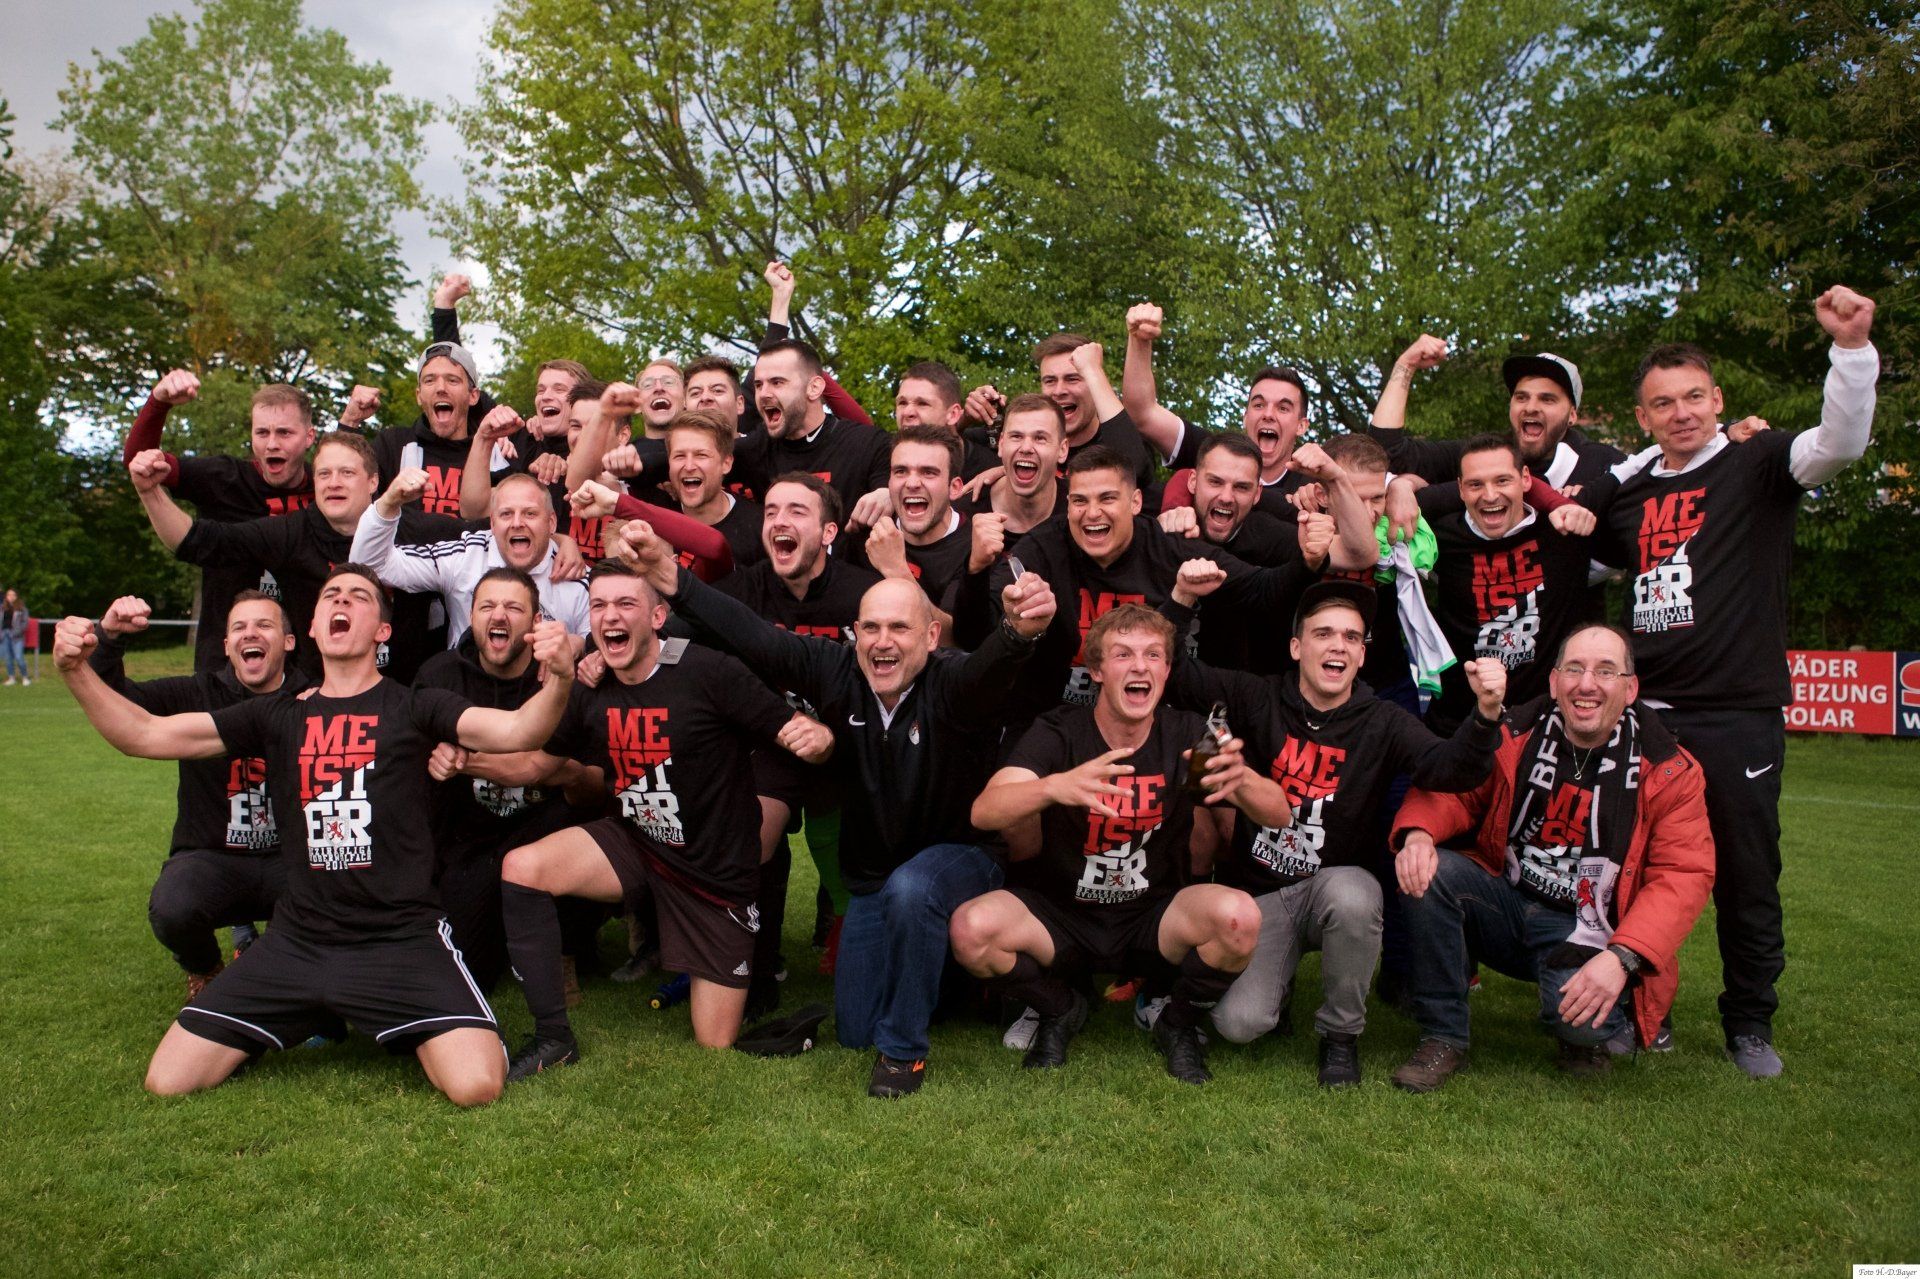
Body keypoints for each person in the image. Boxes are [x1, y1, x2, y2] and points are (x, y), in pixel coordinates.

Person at [52, 563, 578, 1106]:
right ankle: (306, 1010)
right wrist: (74, 671)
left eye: (358, 596)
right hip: (298, 941)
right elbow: (144, 734)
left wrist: (561, 676)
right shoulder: (277, 715)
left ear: (382, 630)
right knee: (169, 1079)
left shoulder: (415, 705)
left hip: (399, 939)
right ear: (312, 626)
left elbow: (520, 729)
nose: (341, 601)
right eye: (331, 595)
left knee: (476, 1086)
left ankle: (369, 1013)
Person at [619, 517, 1057, 1097]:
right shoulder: (836, 669)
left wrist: (1018, 633)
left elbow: (989, 668)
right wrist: (671, 577)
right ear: (854, 634)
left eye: (899, 628)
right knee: (853, 1030)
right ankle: (947, 989)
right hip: (876, 876)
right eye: (870, 627)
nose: (882, 642)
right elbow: (754, 635)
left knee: (914, 890)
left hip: (963, 857)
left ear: (931, 637)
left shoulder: (953, 684)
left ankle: (904, 1055)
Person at [1579, 286, 1879, 1077]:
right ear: (1642, 417)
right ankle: (1643, 1011)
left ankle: (1749, 1021)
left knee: (1747, 873)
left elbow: (1840, 444)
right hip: (1647, 717)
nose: (1680, 413)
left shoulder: (1757, 462)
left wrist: (1851, 352)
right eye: (1662, 403)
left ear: (1718, 400)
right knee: (1633, 871)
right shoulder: (1632, 492)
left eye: (1693, 397)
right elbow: (1576, 562)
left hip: (1737, 714)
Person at [1158, 572, 1506, 1084]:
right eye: (1323, 633)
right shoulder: (1258, 695)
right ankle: (1276, 990)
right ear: (1297, 647)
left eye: (1351, 637)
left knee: (1356, 895)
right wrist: (1182, 598)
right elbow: (1177, 674)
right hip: (1263, 894)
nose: (1337, 645)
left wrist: (1485, 715)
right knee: (1240, 1024)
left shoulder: (1384, 720)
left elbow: (1448, 769)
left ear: (1362, 655)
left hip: (1335, 888)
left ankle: (1340, 1038)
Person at [495, 558, 833, 1076]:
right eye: (599, 605)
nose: (610, 615)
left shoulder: (710, 672)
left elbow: (791, 730)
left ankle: (748, 971)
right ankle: (552, 1037)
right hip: (637, 844)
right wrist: (463, 757)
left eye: (625, 603)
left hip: (713, 875)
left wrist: (819, 738)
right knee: (522, 867)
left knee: (714, 1042)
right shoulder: (591, 685)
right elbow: (540, 761)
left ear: (657, 617)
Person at [954, 604, 1288, 1085]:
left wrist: (1243, 780)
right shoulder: (1060, 731)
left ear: (1167, 671)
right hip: (1063, 915)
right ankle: (1059, 1007)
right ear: (1096, 670)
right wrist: (1055, 786)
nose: (1140, 666)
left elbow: (1277, 815)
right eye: (1123, 654)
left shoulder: (1188, 733)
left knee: (1240, 918)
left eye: (1153, 655)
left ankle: (1176, 1024)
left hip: (1154, 916)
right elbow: (984, 811)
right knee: (971, 930)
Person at [1388, 623, 1716, 1090]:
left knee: (1581, 1024)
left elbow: (1682, 876)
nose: (1587, 684)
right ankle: (1442, 1035)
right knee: (1428, 870)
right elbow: (1455, 788)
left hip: (1589, 925)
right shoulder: (1516, 732)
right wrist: (1420, 833)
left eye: (1606, 671)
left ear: (1630, 689)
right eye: (1575, 669)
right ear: (1554, 681)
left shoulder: (1669, 768)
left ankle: (1583, 1033)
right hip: (1506, 899)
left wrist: (1622, 958)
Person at [85, 591, 308, 997]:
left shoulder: (315, 697)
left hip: (290, 857)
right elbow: (118, 700)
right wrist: (109, 637)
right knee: (173, 908)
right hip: (212, 857)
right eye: (238, 627)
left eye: (263, 625)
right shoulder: (198, 693)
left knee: (334, 896)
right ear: (226, 645)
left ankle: (280, 963)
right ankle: (204, 967)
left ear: (288, 641)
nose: (249, 634)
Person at [136, 431, 470, 682]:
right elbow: (199, 542)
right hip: (317, 698)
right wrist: (149, 491)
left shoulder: (420, 529)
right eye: (324, 474)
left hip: (406, 697)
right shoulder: (291, 533)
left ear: (373, 481)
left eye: (346, 473)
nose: (333, 483)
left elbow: (486, 538)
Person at [413, 568, 597, 989]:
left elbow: (590, 786)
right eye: (487, 606)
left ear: (536, 621)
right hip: (469, 842)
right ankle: (504, 939)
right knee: (467, 970)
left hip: (544, 831)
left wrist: (464, 760)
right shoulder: (441, 674)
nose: (499, 615)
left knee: (584, 823)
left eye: (513, 607)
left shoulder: (562, 677)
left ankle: (568, 944)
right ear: (471, 616)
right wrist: (436, 759)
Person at [120, 373, 318, 671]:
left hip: (306, 667)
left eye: (284, 433)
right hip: (225, 666)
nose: (272, 444)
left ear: (309, 437)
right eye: (262, 432)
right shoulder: (224, 478)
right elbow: (139, 461)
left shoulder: (327, 488)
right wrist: (158, 402)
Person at [1417, 435, 1603, 733]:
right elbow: (1383, 501)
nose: (1490, 495)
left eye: (1502, 480)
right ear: (1460, 489)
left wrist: (1566, 505)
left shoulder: (1565, 528)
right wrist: (1400, 488)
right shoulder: (1439, 536)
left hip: (1546, 726)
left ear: (1526, 479)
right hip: (1459, 724)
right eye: (1475, 484)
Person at [349, 468, 592, 645]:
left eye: (530, 514)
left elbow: (597, 646)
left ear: (551, 523)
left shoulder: (577, 576)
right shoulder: (465, 555)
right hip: (465, 690)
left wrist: (579, 645)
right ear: (492, 524)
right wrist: (388, 503)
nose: (517, 523)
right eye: (506, 514)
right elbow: (371, 567)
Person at [1121, 301, 1318, 517]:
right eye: (1259, 405)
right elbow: (1142, 414)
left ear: (1301, 426)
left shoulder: (1315, 484)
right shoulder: (1213, 453)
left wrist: (1331, 485)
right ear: (1245, 417)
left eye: (1283, 408)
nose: (1268, 414)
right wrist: (1139, 340)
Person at [965, 334, 1154, 491]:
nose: (1059, 390)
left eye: (1072, 379)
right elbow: (951, 449)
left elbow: (1135, 471)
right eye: (1050, 381)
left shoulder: (1123, 440)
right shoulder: (1014, 436)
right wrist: (965, 418)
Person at [1, 588, 29, 685]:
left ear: (16, 596)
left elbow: (25, 623)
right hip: (4, 635)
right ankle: (11, 678)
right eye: (9, 595)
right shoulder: (2, 608)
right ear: (6, 596)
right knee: (8, 659)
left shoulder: (22, 609)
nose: (11, 597)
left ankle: (25, 677)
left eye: (13, 595)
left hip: (16, 637)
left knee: (18, 657)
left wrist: (17, 632)